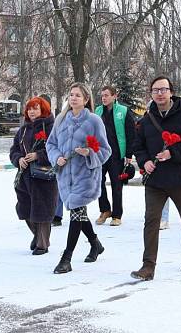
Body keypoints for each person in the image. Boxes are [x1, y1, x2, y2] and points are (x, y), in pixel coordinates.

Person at [131, 76, 181, 280]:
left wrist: (173, 153)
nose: (160, 94)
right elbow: (138, 146)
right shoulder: (146, 119)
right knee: (151, 221)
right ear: (151, 94)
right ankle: (148, 265)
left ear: (171, 91)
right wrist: (144, 161)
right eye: (155, 90)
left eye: (163, 89)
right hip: (155, 181)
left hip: (179, 177)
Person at [46, 83, 112, 274]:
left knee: (76, 211)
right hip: (65, 175)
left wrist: (89, 152)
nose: (73, 98)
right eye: (71, 94)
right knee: (78, 212)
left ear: (86, 99)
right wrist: (56, 157)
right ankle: (95, 244)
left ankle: (66, 258)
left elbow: (105, 150)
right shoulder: (61, 120)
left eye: (78, 95)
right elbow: (51, 144)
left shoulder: (94, 121)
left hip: (86, 175)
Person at [10, 97, 57, 255]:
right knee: (24, 208)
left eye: (35, 108)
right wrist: (19, 159)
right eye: (29, 108)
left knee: (42, 210)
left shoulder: (51, 127)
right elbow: (14, 149)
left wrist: (38, 155)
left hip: (43, 176)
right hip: (25, 176)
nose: (31, 112)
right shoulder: (23, 129)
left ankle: (42, 244)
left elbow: (56, 149)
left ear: (43, 109)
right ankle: (37, 236)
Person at [94, 85, 136, 227]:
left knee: (116, 184)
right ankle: (105, 210)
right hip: (100, 153)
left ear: (114, 96)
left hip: (117, 153)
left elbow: (131, 133)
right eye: (102, 95)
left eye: (107, 95)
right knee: (98, 182)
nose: (104, 98)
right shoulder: (98, 111)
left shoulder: (123, 111)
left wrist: (129, 153)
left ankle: (117, 215)